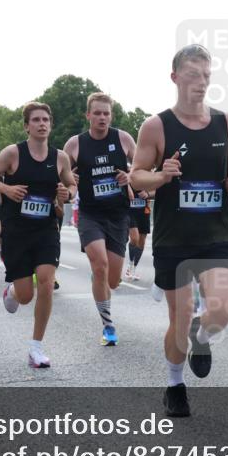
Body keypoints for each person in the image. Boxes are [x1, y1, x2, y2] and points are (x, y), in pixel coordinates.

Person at [130, 43, 228, 417]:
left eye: (206, 75)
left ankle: (203, 333)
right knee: (177, 323)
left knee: (223, 311)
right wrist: (161, 175)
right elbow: (136, 178)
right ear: (175, 77)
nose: (201, 82)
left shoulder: (225, 122)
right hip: (173, 238)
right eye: (193, 75)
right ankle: (175, 385)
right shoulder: (156, 126)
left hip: (216, 234)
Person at [0, 102, 75, 369]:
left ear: (50, 124)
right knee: (25, 296)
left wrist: (67, 193)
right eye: (36, 120)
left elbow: (71, 184)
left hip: (45, 229)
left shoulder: (59, 158)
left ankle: (36, 347)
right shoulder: (13, 153)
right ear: (27, 126)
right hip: (16, 231)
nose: (42, 123)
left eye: (46, 119)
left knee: (46, 282)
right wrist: (6, 190)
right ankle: (11, 291)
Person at [63, 92, 137, 347]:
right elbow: (62, 174)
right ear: (88, 116)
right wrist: (71, 180)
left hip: (118, 215)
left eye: (106, 113)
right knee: (100, 264)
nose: (102, 117)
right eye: (97, 113)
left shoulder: (124, 139)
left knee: (112, 280)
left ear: (111, 116)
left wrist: (130, 178)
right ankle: (108, 325)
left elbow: (142, 170)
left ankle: (98, 280)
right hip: (90, 214)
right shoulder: (75, 144)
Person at [123, 187, 152, 281]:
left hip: (144, 212)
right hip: (130, 212)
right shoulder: (128, 174)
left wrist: (148, 193)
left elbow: (157, 189)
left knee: (141, 242)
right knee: (135, 239)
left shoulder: (149, 176)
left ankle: (133, 269)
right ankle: (130, 265)